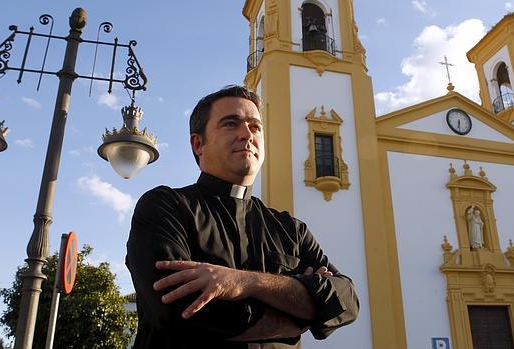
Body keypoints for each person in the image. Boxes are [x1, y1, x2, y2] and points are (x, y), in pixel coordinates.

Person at [126, 85, 359, 348]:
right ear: (198, 143)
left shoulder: (291, 229)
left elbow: (347, 300)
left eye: (255, 126)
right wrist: (299, 314)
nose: (247, 134)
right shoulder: (165, 207)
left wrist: (244, 282)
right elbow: (180, 311)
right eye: (231, 124)